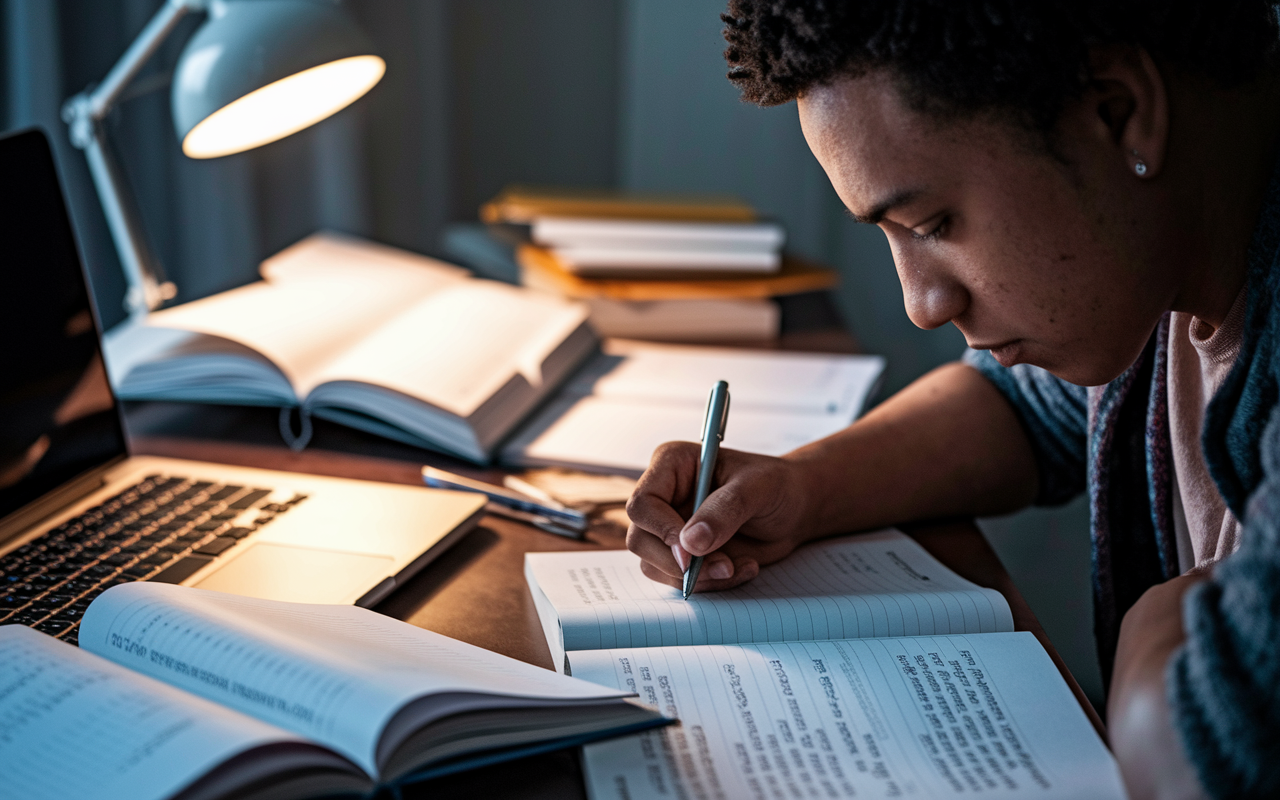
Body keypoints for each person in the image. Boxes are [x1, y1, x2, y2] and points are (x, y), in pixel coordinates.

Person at [623, 2, 1280, 798]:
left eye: (933, 222)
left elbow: (1221, 737)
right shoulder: (1161, 273)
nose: (922, 302)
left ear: (1121, 113)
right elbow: (1033, 410)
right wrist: (803, 489)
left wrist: (1157, 638)